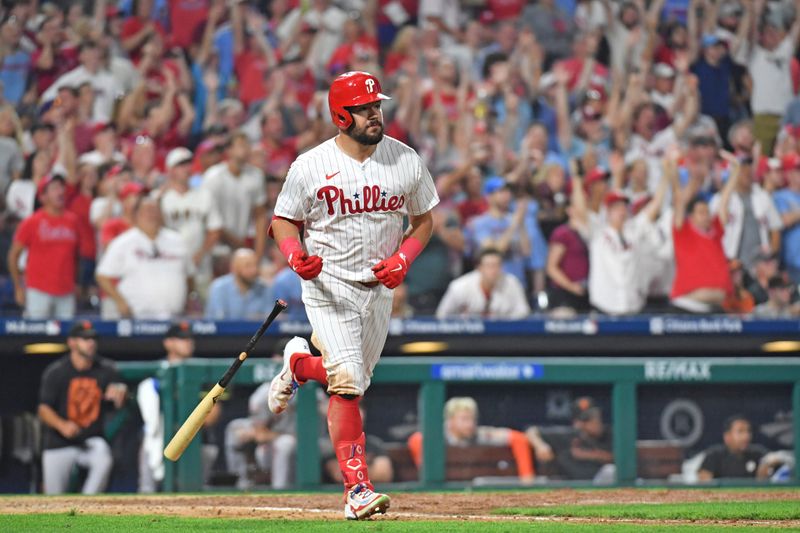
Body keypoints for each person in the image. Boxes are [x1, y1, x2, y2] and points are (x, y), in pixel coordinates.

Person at [267, 71, 438, 520]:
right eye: (364, 108)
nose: (374, 114)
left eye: (376, 106)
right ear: (341, 114)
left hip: (379, 290)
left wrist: (404, 258)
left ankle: (298, 365)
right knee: (347, 383)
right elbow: (283, 220)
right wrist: (293, 254)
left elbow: (424, 220)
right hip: (328, 285)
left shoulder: (405, 159)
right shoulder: (309, 165)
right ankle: (357, 489)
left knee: (354, 378)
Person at [38, 321, 127, 494]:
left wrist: (119, 392)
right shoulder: (56, 371)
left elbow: (120, 394)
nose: (91, 342)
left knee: (103, 458)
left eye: (93, 338)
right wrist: (62, 425)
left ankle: (87, 503)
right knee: (53, 498)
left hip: (91, 439)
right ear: (72, 342)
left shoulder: (106, 369)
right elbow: (43, 409)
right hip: (59, 441)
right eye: (85, 339)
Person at [137, 322, 221, 493]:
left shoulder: (202, 371)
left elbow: (214, 415)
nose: (188, 342)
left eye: (190, 339)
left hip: (195, 439)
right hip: (157, 438)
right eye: (182, 339)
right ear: (168, 343)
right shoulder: (155, 371)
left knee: (197, 488)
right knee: (148, 445)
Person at [96, 197, 195, 319]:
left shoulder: (177, 240)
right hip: (137, 317)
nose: (151, 215)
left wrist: (186, 297)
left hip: (174, 317)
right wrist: (120, 302)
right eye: (147, 210)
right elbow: (103, 275)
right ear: (136, 215)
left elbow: (189, 275)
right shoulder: (123, 242)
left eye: (155, 210)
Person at [8, 174, 90, 319]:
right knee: (36, 335)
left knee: (66, 336)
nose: (60, 191)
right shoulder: (31, 222)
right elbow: (13, 255)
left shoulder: (73, 221)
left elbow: (78, 255)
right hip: (38, 289)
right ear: (43, 197)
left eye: (61, 187)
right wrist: (18, 286)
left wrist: (77, 283)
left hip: (66, 290)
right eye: (54, 188)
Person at [406, 396, 535, 482]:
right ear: (450, 421)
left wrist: (527, 477)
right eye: (464, 419)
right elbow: (415, 440)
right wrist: (428, 477)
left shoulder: (478, 434)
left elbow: (519, 439)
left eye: (472, 419)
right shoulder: (439, 434)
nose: (470, 424)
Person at [159, 147, 223, 295]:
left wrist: (200, 254)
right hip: (170, 266)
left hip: (200, 267)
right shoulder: (161, 198)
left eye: (188, 164)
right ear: (170, 170)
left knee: (203, 312)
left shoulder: (204, 195)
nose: (186, 168)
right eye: (180, 165)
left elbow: (215, 229)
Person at [435, 248, 530, 319]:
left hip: (503, 338)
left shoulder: (512, 283)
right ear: (479, 268)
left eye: (497, 265)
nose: (493, 270)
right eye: (489, 265)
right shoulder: (460, 286)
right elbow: (441, 315)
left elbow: (523, 313)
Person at [698, 415, 777, 480]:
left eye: (748, 431)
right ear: (727, 436)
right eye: (740, 431)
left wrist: (766, 466)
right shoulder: (714, 454)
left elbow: (765, 486)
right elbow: (704, 484)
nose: (746, 436)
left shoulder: (758, 453)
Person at [205, 248, 273, 320]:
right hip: (227, 331)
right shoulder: (219, 288)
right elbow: (217, 321)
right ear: (234, 268)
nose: (254, 270)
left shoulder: (264, 288)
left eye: (255, 265)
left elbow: (271, 318)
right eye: (248, 266)